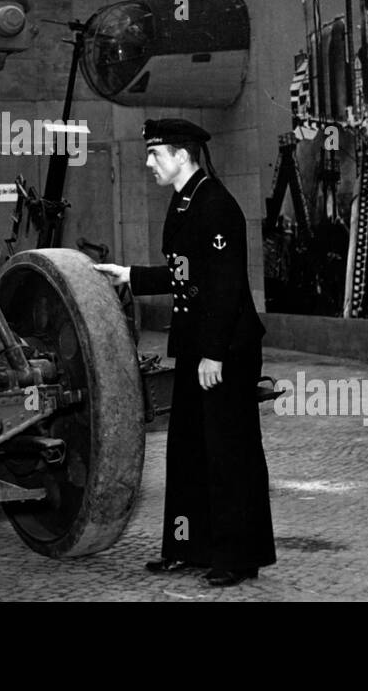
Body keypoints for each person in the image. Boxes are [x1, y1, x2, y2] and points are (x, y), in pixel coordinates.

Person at [94, 118, 275, 587]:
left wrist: (213, 354)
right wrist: (130, 275)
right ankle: (187, 547)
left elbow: (225, 285)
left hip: (225, 349)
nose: (148, 163)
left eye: (155, 154)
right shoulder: (185, 200)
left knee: (229, 454)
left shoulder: (216, 205)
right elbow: (186, 271)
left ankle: (237, 558)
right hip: (198, 346)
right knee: (189, 452)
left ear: (181, 155)